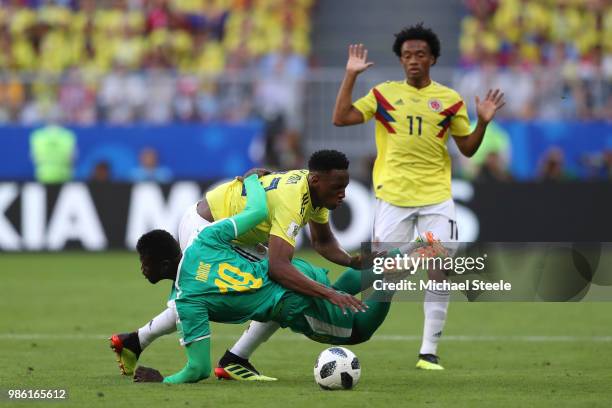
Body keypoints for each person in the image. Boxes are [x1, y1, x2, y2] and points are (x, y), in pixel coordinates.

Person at [130, 174, 440, 384]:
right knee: (337, 287)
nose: (142, 270)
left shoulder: (188, 300)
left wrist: (164, 380)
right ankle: (409, 248)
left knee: (358, 329)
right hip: (296, 270)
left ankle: (401, 269)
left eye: (145, 264)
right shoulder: (207, 238)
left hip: (291, 301)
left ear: (165, 264)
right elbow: (256, 208)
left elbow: (197, 369)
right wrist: (251, 178)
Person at [332, 23, 505, 370]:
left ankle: (428, 352)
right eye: (407, 55)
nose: (413, 60)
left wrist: (482, 123)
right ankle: (340, 319)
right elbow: (341, 118)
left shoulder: (451, 100)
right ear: (400, 60)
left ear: (433, 59)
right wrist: (350, 75)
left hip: (436, 197)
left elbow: (468, 150)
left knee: (439, 267)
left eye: (420, 55)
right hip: (392, 198)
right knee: (384, 275)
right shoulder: (383, 94)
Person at [110, 150, 367, 379]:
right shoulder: (294, 199)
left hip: (232, 234)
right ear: (316, 180)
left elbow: (322, 242)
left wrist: (351, 260)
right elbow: (279, 267)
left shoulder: (315, 189)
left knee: (278, 288)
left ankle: (143, 343)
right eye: (337, 187)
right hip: (207, 229)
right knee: (268, 285)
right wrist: (329, 293)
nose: (342, 194)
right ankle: (229, 358)